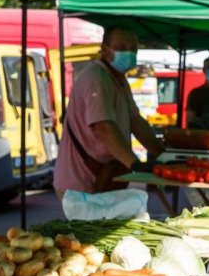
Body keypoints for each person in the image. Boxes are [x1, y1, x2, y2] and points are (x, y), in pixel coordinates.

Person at [53, 26, 163, 200]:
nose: (128, 53)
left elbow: (136, 121)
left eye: (133, 49)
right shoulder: (97, 79)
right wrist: (135, 164)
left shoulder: (118, 80)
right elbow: (103, 128)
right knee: (90, 228)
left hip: (101, 178)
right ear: (104, 50)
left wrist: (162, 154)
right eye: (121, 48)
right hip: (82, 183)